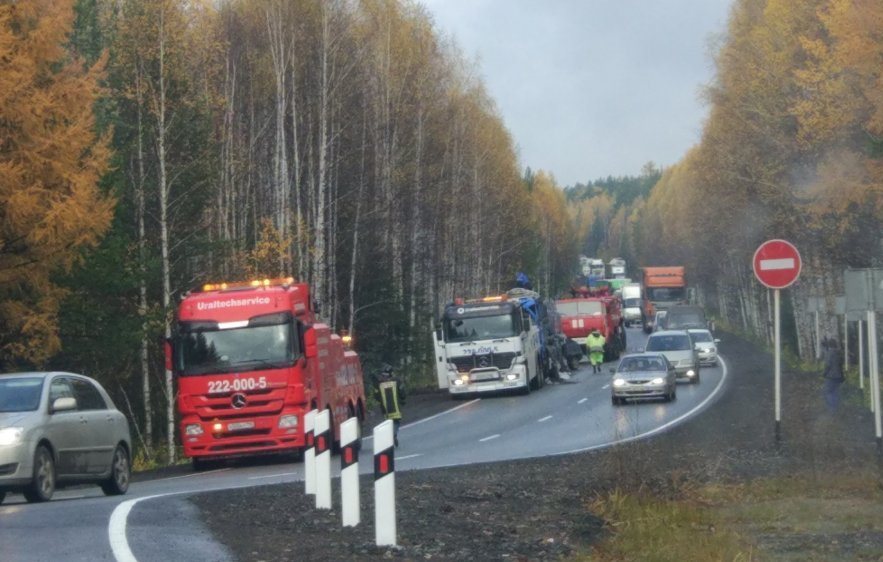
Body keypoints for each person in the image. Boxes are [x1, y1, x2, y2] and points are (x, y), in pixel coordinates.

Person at [375, 364, 405, 446]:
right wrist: (403, 400)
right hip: (396, 409)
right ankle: (393, 435)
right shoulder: (397, 381)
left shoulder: (379, 384)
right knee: (396, 422)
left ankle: (388, 437)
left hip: (385, 410)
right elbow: (402, 392)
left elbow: (377, 396)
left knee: (387, 423)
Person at [822, 338, 844, 412]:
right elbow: (841, 365)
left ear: (829, 345)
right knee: (835, 391)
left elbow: (828, 365)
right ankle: (836, 407)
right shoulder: (839, 353)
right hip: (838, 376)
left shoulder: (829, 353)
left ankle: (832, 408)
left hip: (831, 376)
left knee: (828, 391)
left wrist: (824, 373)